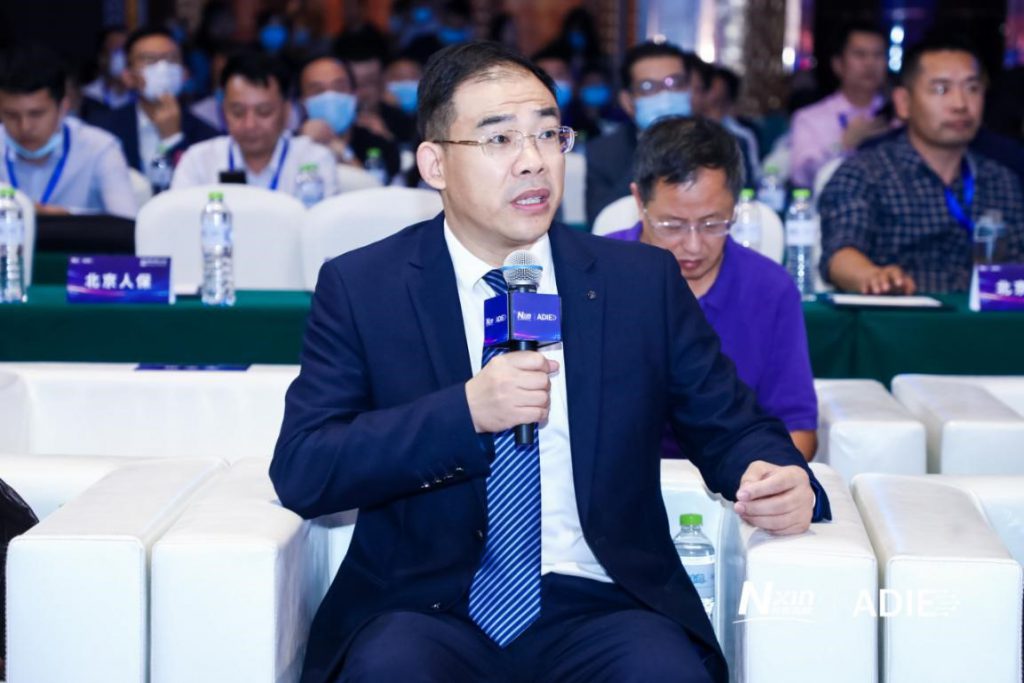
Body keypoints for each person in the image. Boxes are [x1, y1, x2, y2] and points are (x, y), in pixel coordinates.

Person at [271, 40, 830, 683]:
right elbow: (306, 469)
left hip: (605, 602)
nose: (533, 161)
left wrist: (778, 475)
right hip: (422, 607)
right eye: (499, 139)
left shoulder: (638, 282)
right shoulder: (366, 287)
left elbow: (733, 427)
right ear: (435, 163)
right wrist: (464, 413)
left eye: (547, 134)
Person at [605, 117, 817, 461]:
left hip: (737, 477)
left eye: (712, 224)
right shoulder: (597, 275)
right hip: (617, 475)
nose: (693, 246)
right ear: (639, 201)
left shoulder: (769, 289)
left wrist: (765, 482)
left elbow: (797, 429)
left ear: (736, 207)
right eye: (672, 225)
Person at [819, 36, 1024, 294]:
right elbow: (840, 253)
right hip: (897, 315)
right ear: (904, 103)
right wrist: (872, 277)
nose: (960, 104)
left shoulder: (1002, 180)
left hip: (988, 317)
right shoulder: (866, 173)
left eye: (972, 89)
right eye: (941, 89)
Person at [171, 51, 338, 198]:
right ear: (223, 111)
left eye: (264, 111)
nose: (249, 125)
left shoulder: (313, 159)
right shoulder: (199, 161)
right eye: (238, 112)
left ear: (286, 111)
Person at [0, 44, 137, 218]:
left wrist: (63, 216)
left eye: (36, 114)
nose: (24, 127)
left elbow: (126, 222)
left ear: (63, 108)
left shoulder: (99, 148)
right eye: (11, 115)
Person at [88, 27, 218, 182]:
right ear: (128, 77)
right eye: (150, 60)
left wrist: (173, 139)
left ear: (184, 74)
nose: (162, 68)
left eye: (171, 59)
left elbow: (201, 188)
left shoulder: (208, 137)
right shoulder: (103, 131)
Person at [585, 40, 692, 225]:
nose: (665, 95)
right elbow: (601, 222)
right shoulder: (602, 153)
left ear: (689, 90)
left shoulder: (726, 145)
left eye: (674, 83)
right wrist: (655, 149)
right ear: (628, 102)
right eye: (648, 87)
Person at [789, 23, 890, 189]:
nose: (870, 63)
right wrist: (843, 144)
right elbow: (802, 176)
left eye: (878, 55)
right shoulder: (810, 118)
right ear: (838, 64)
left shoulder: (899, 116)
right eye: (860, 55)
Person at [297, 55, 400, 181]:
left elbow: (381, 189)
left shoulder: (379, 144)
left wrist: (344, 153)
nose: (330, 96)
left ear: (354, 94)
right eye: (318, 90)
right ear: (302, 101)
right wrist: (302, 144)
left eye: (339, 87)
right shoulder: (289, 146)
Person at [80, 25, 133, 117]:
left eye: (125, 51)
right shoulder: (88, 95)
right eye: (116, 51)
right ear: (102, 58)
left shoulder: (144, 95)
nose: (122, 57)